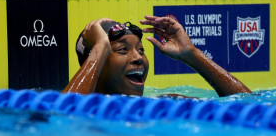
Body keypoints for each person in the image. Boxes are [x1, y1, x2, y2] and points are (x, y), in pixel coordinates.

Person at [62, 15, 252, 97]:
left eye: (141, 50)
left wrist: (192, 55)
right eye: (123, 50)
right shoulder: (85, 113)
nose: (139, 58)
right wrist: (100, 46)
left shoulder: (162, 104)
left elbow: (247, 105)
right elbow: (60, 116)